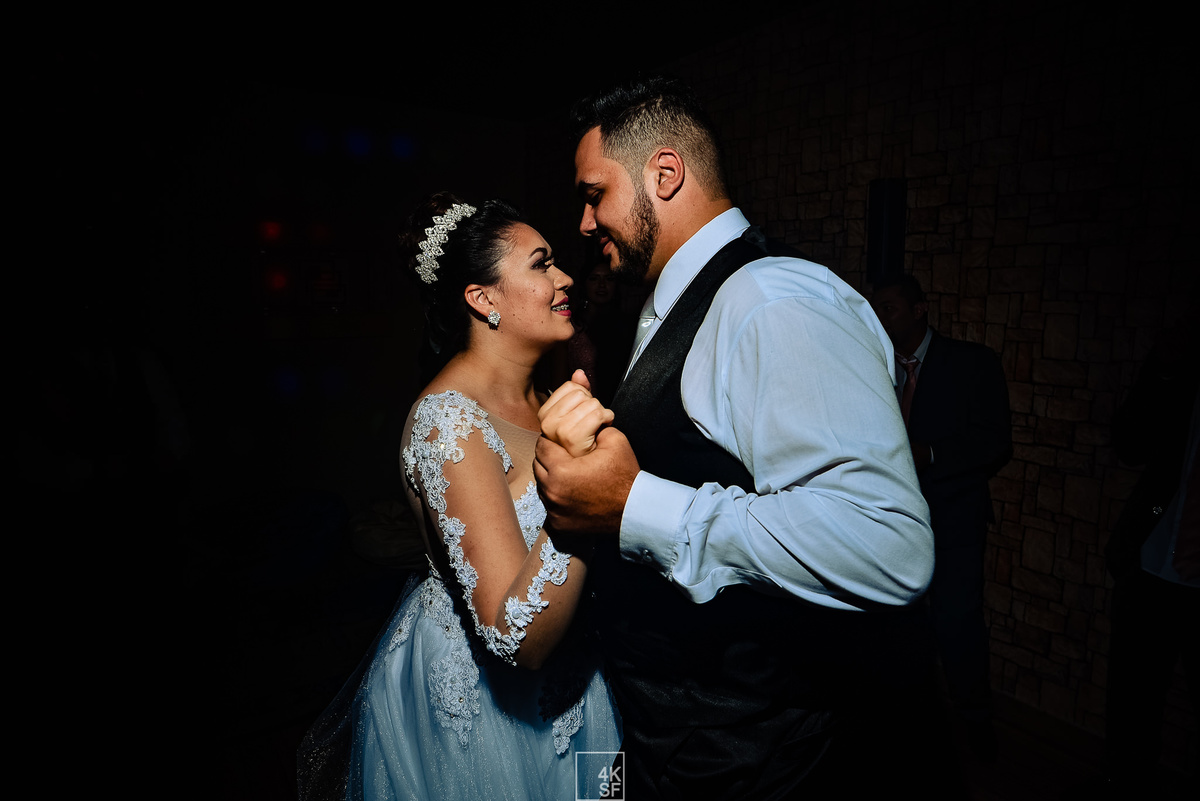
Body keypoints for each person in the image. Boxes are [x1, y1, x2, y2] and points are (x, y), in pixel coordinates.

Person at [534, 76, 937, 798]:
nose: (585, 222)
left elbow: (888, 540)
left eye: (594, 193)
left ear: (664, 172)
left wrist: (633, 502)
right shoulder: (679, 302)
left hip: (754, 751)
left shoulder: (769, 299)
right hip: (677, 726)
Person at [298, 192, 621, 801]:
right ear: (483, 300)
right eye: (541, 263)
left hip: (580, 685)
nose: (565, 277)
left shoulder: (549, 394)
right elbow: (510, 635)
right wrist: (577, 495)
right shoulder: (448, 422)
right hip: (489, 719)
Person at [871, 273, 1012, 761]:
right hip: (887, 518)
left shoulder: (971, 364)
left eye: (888, 306)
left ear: (919, 310)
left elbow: (995, 442)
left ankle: (975, 725)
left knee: (957, 624)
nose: (879, 315)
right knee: (895, 626)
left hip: (953, 520)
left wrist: (929, 453)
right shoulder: (870, 368)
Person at [565, 260, 637, 406]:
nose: (602, 285)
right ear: (584, 284)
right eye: (594, 278)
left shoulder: (629, 328)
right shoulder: (571, 328)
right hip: (580, 409)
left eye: (609, 279)